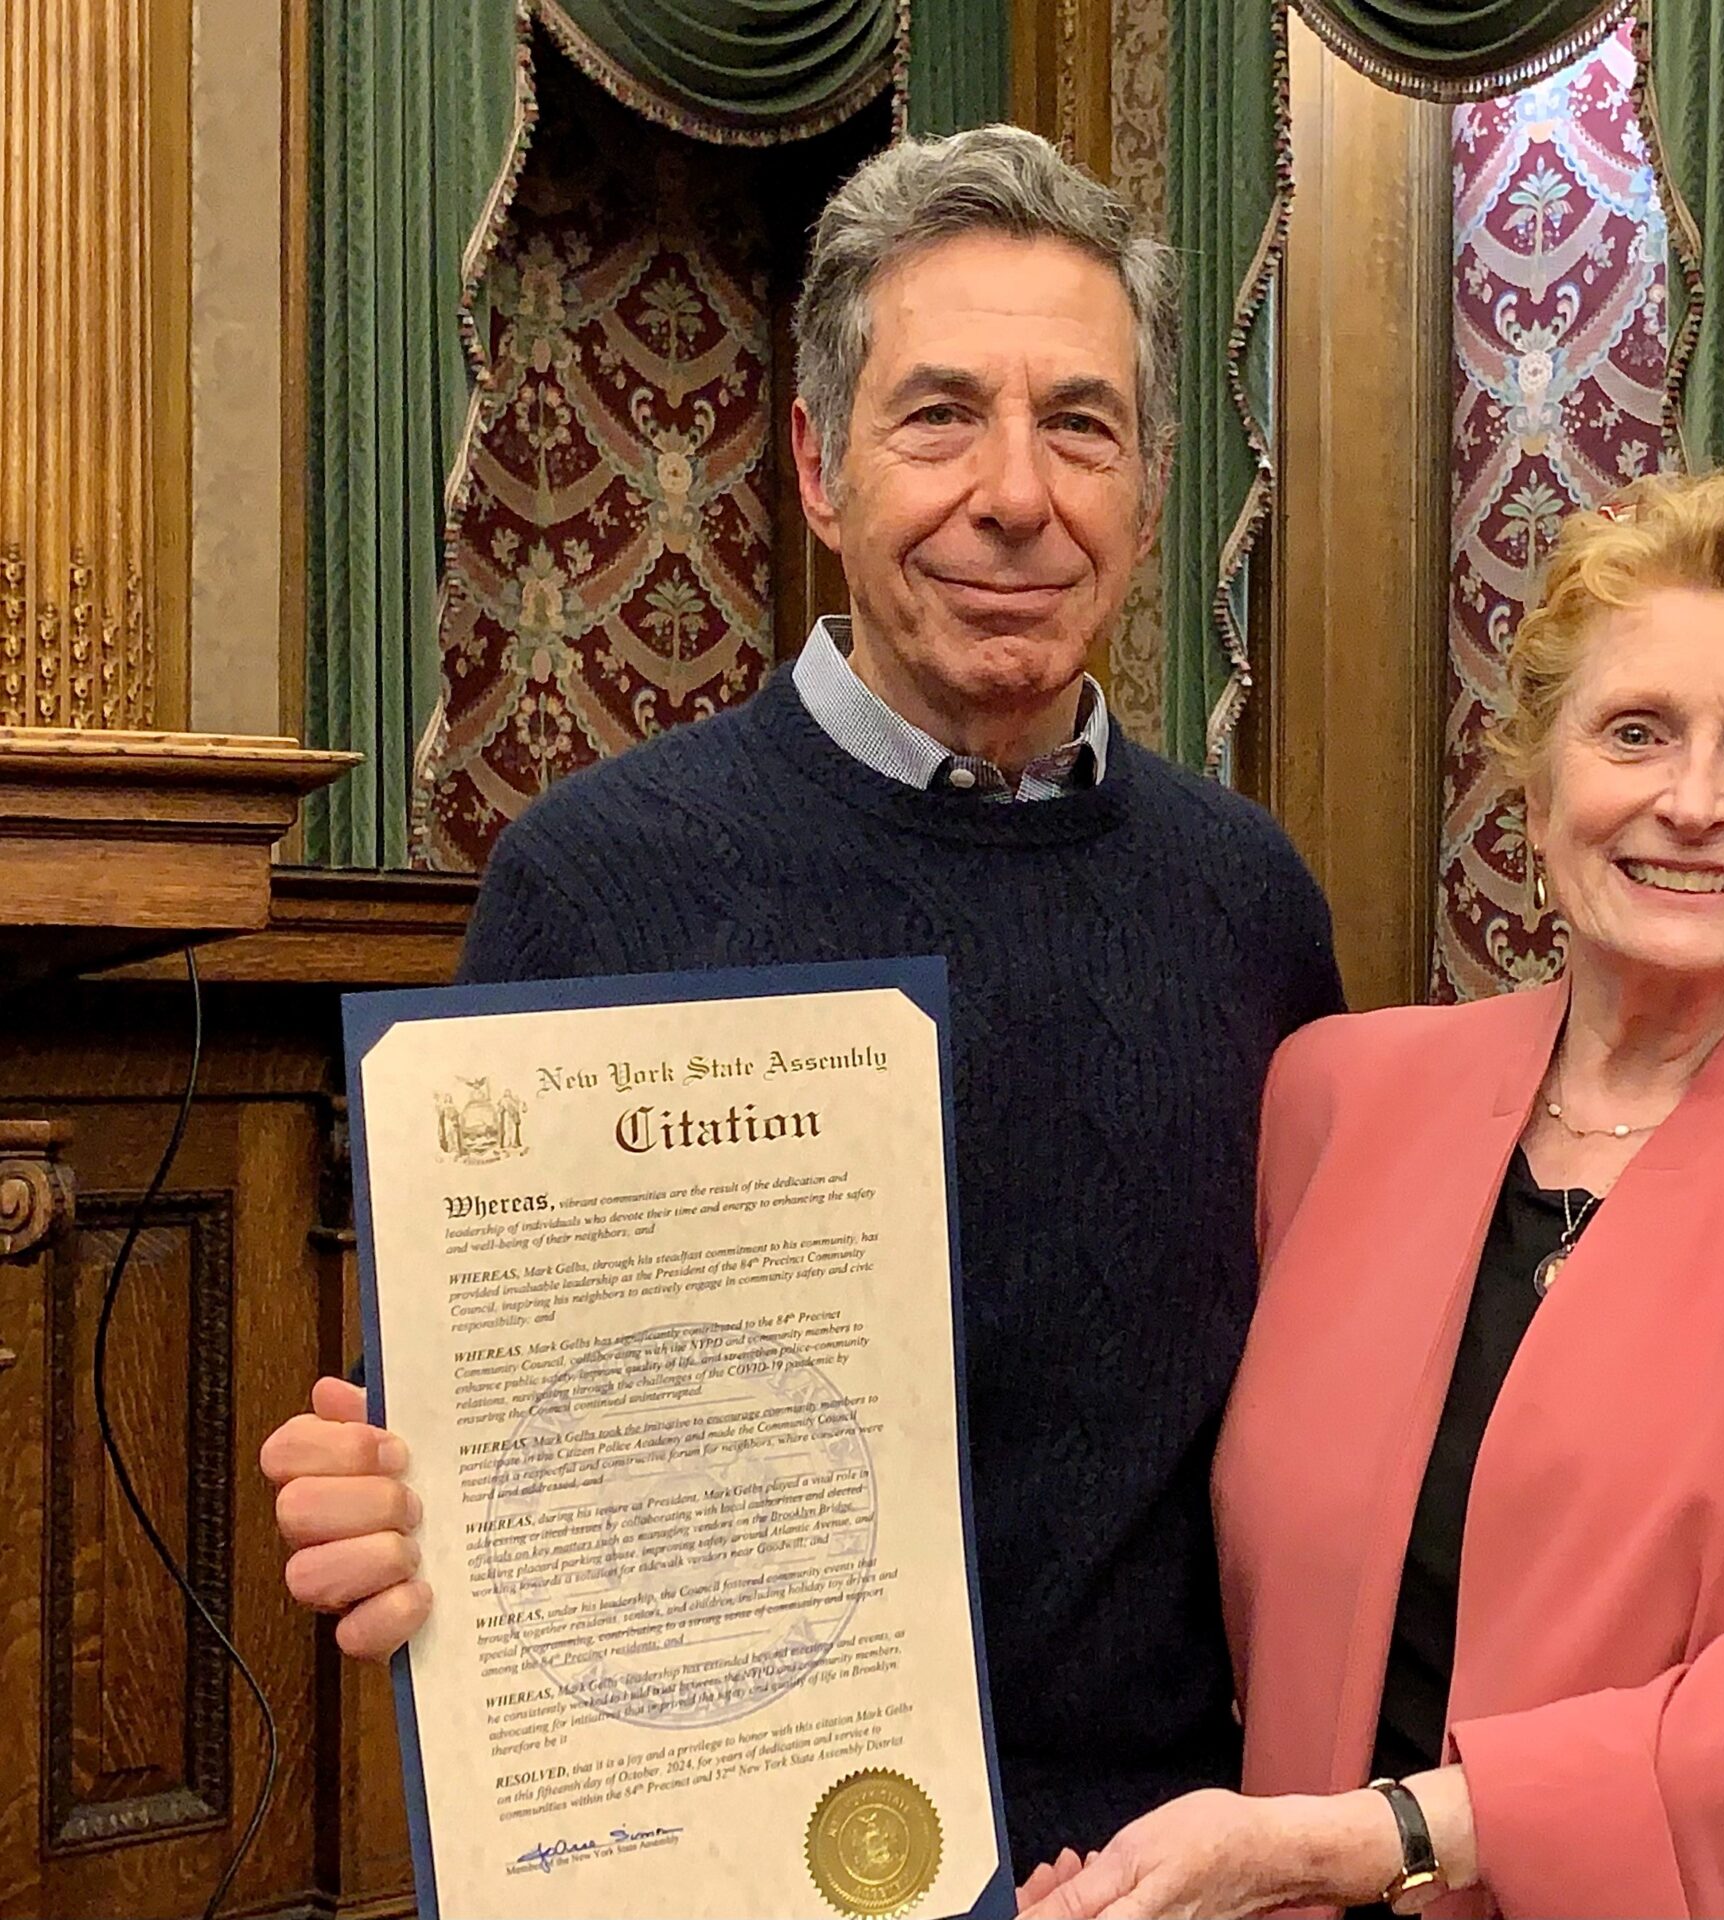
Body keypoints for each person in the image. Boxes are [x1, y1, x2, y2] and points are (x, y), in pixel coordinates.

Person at [255, 126, 1342, 1869]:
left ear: (1146, 491)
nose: (1015, 491)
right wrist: (386, 1508)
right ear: (820, 468)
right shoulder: (601, 882)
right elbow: (472, 1434)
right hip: (729, 1863)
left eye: (1080, 423)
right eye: (940, 416)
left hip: (1176, 1875)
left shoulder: (1252, 908)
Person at [1019, 471, 1724, 1920]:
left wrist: (1360, 1840)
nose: (1694, 800)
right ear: (1537, 789)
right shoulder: (1335, 1101)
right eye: (1636, 732)